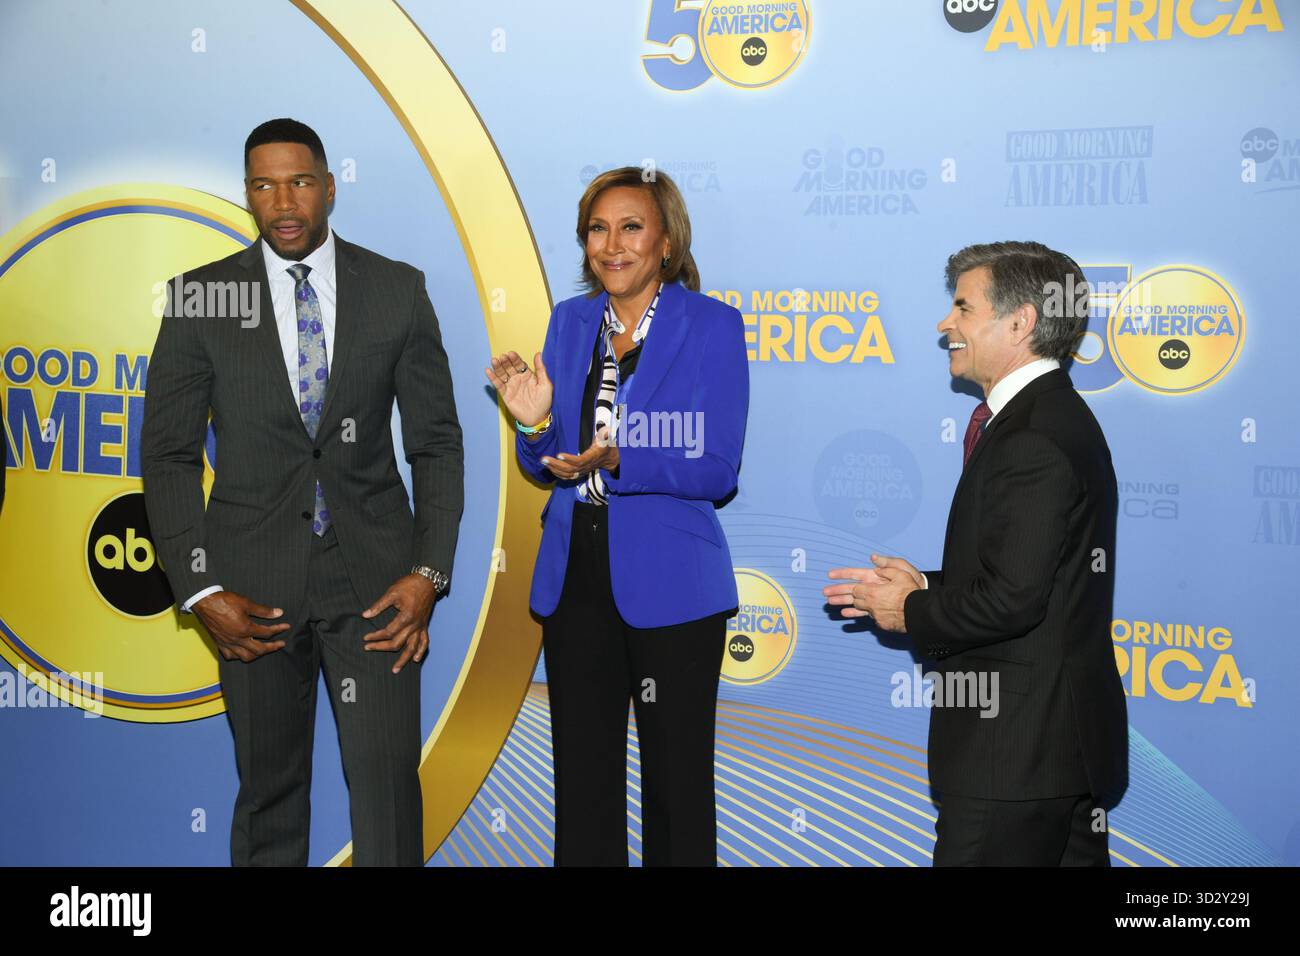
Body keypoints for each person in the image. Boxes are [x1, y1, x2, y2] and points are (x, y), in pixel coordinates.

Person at [141, 118, 464, 866]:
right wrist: (199, 590)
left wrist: (428, 575)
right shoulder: (202, 299)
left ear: (328, 186)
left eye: (299, 182)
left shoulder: (397, 290)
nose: (283, 203)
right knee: (269, 798)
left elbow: (437, 444)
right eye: (263, 185)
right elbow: (167, 456)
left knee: (387, 802)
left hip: (379, 591)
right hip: (250, 592)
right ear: (247, 193)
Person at [824, 241, 1128, 866]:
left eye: (962, 307)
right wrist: (927, 588)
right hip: (1051, 751)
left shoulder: (1033, 436)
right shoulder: (1049, 417)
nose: (945, 323)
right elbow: (1030, 574)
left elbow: (1012, 599)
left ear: (1020, 323)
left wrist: (908, 611)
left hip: (1014, 758)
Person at [485, 167, 748, 866]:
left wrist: (619, 460)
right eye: (597, 229)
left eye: (631, 226)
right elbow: (546, 464)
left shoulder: (713, 326)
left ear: (666, 241)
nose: (612, 244)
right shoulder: (570, 323)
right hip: (577, 576)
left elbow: (718, 466)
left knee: (677, 784)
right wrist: (536, 429)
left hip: (674, 580)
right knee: (584, 781)